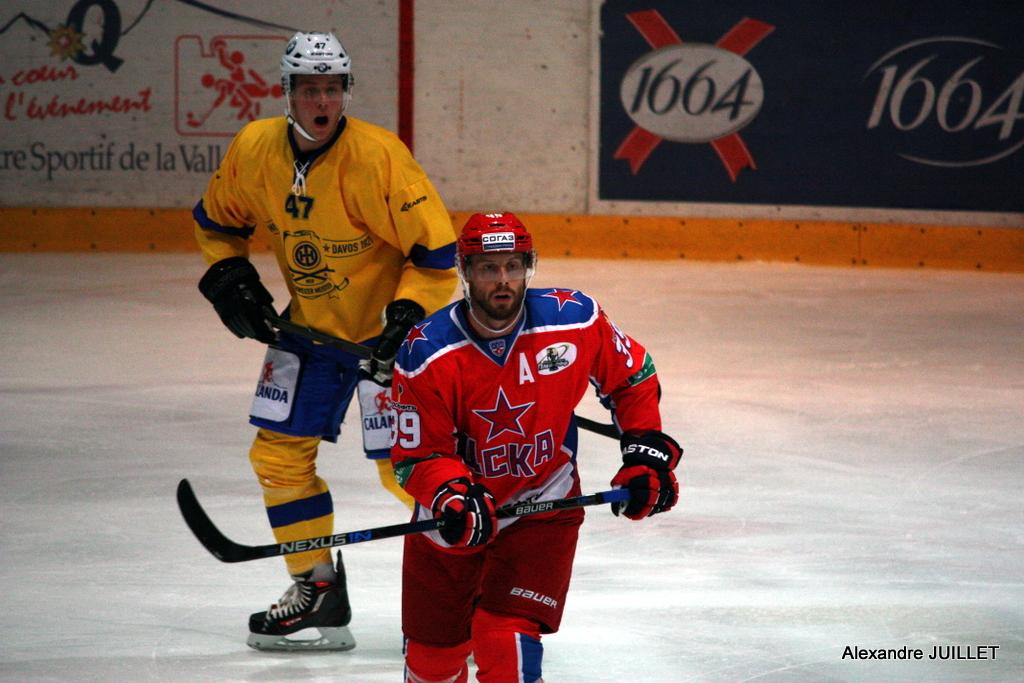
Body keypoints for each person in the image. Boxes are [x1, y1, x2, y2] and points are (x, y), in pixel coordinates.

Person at [193, 30, 457, 651]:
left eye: (332, 88)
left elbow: (436, 254)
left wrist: (406, 318)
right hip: (307, 331)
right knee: (278, 460)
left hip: (388, 346)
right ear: (287, 91)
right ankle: (317, 589)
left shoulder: (380, 156)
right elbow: (217, 222)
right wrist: (229, 277)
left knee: (409, 471)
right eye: (310, 88)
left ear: (345, 92)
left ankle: (469, 579)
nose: (322, 100)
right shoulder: (255, 147)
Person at [389, 212, 682, 681]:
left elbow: (632, 377)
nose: (503, 280)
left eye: (513, 265)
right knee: (432, 664)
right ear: (466, 272)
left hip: (543, 502)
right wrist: (452, 494)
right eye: (489, 268)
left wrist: (644, 451)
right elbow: (418, 456)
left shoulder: (575, 319)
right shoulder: (426, 352)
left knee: (504, 638)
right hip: (457, 518)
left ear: (529, 267)